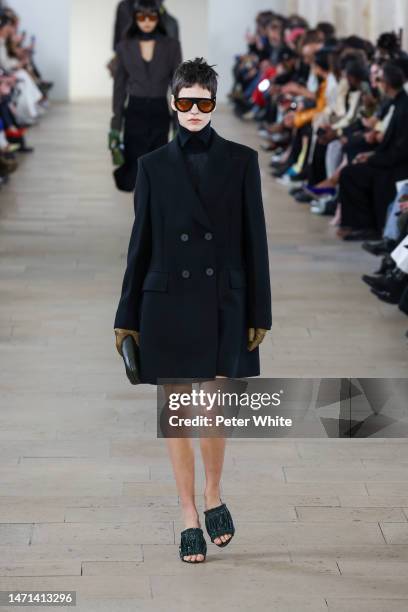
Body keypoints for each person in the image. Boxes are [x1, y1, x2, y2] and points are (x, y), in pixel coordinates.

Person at [113, 58, 272, 562]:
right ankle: (187, 513)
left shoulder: (242, 161)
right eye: (186, 102)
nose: (195, 111)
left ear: (215, 102)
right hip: (167, 302)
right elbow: (139, 245)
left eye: (204, 102)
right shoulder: (152, 165)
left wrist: (260, 311)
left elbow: (256, 241)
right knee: (178, 414)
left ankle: (213, 494)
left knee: (215, 409)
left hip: (224, 298)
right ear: (173, 102)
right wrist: (126, 316)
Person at [109, 0, 182, 192]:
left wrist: (178, 122)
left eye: (152, 16)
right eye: (142, 17)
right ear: (135, 18)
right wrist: (115, 126)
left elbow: (177, 87)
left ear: (159, 17)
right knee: (136, 171)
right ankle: (143, 213)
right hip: (134, 111)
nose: (147, 21)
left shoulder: (172, 46)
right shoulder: (124, 47)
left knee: (158, 168)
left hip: (160, 111)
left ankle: (155, 212)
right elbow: (119, 89)